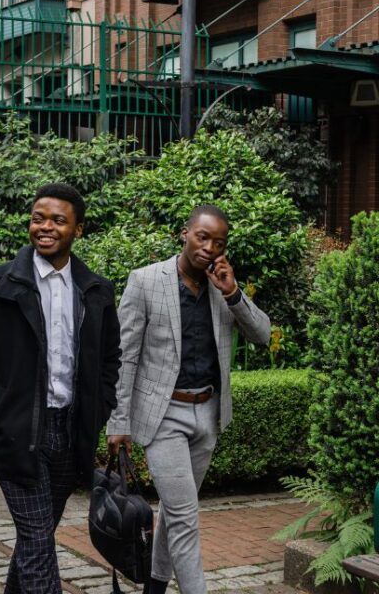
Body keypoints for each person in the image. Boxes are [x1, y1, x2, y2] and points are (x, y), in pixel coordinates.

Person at [0, 183, 121, 594]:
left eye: (58, 220)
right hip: (19, 433)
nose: (45, 227)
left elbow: (111, 358)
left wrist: (101, 407)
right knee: (39, 540)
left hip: (71, 432)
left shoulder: (95, 290)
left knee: (33, 539)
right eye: (38, 218)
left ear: (78, 229)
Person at [106, 204, 270, 594]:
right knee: (185, 515)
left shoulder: (222, 287)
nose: (210, 247)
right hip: (163, 416)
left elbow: (262, 335)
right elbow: (125, 356)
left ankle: (155, 589)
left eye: (219, 242)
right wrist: (119, 421)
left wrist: (232, 293)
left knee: (175, 513)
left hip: (208, 414)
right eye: (203, 236)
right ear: (185, 233)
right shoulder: (145, 281)